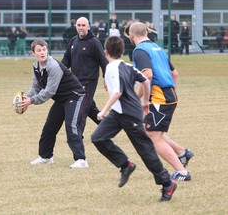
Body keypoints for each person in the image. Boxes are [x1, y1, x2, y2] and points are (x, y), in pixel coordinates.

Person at [91, 36, 177, 202]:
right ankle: (125, 165)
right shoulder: (128, 66)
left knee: (145, 150)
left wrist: (103, 111)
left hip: (130, 114)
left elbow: (117, 92)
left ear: (105, 52)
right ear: (123, 51)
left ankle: (167, 183)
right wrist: (145, 102)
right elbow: (145, 81)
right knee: (98, 138)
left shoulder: (111, 68)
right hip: (118, 113)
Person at [129, 21, 194, 181]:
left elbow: (148, 76)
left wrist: (144, 101)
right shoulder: (158, 49)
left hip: (159, 98)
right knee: (151, 130)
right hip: (169, 95)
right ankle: (182, 153)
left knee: (153, 135)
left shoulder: (139, 51)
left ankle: (182, 172)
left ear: (131, 36)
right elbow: (175, 74)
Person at [21, 38, 89, 169]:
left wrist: (31, 101)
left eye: (44, 49)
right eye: (39, 50)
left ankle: (81, 160)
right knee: (49, 127)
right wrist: (26, 97)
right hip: (61, 99)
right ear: (33, 53)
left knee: (72, 126)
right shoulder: (36, 67)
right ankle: (46, 157)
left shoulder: (53, 66)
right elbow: (35, 87)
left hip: (74, 95)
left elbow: (49, 91)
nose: (42, 52)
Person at [61, 16, 108, 135]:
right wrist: (57, 72)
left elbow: (103, 62)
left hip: (88, 81)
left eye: (83, 25)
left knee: (81, 107)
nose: (81, 28)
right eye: (79, 25)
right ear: (76, 26)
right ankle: (108, 126)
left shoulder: (94, 42)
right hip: (75, 81)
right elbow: (66, 60)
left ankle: (77, 134)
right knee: (90, 107)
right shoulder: (73, 41)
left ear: (88, 26)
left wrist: (106, 79)